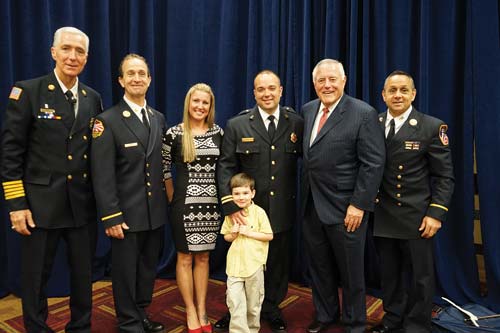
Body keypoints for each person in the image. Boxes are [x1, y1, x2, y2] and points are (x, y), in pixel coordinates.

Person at [0, 26, 102, 333]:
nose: (73, 56)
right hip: (39, 205)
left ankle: (80, 327)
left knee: (83, 276)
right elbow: (11, 153)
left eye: (80, 51)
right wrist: (17, 204)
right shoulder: (29, 91)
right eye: (67, 49)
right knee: (35, 278)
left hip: (81, 205)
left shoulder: (92, 98)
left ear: (87, 57)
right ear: (53, 52)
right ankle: (36, 328)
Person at [301, 59, 385, 333]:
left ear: (344, 81)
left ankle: (355, 323)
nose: (327, 85)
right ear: (314, 84)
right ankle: (325, 316)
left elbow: (373, 163)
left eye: (332, 79)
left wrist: (359, 205)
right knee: (320, 268)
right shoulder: (309, 109)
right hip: (312, 206)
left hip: (347, 209)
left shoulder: (363, 113)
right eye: (321, 81)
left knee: (351, 272)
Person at [216, 69, 304, 333]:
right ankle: (236, 312)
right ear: (254, 93)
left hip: (281, 210)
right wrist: (230, 206)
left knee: (277, 265)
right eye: (261, 89)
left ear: (280, 91)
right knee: (241, 268)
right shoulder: (238, 124)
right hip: (246, 212)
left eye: (271, 88)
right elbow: (225, 167)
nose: (266, 93)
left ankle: (271, 309)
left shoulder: (296, 123)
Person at [370, 71, 454, 333]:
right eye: (392, 90)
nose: (397, 95)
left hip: (417, 216)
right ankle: (393, 319)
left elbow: (444, 177)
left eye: (403, 90)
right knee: (390, 275)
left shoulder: (431, 127)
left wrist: (436, 214)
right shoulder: (372, 123)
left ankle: (417, 325)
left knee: (421, 277)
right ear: (383, 95)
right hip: (383, 214)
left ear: (413, 94)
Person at [91, 54, 166, 333]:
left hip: (153, 211)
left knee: (147, 268)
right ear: (121, 80)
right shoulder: (106, 121)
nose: (137, 78)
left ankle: (141, 312)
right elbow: (102, 173)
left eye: (142, 73)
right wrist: (111, 215)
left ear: (149, 79)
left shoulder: (158, 118)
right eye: (131, 73)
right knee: (124, 271)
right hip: (125, 212)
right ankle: (128, 321)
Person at [162, 83, 223, 333]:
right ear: (188, 103)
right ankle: (189, 310)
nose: (200, 106)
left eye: (205, 103)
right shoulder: (174, 133)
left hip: (211, 207)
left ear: (210, 107)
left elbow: (225, 168)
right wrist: (173, 200)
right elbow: (164, 170)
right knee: (185, 257)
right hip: (183, 206)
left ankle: (202, 309)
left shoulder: (219, 132)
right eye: (195, 101)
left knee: (204, 257)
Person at [220, 173, 273, 333]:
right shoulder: (231, 215)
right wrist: (234, 233)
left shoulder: (259, 213)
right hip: (235, 267)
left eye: (245, 193)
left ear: (253, 193)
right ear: (231, 195)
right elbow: (226, 237)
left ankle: (252, 329)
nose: (241, 197)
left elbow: (269, 236)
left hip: (254, 265)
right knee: (235, 302)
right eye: (236, 193)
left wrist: (249, 233)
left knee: (253, 305)